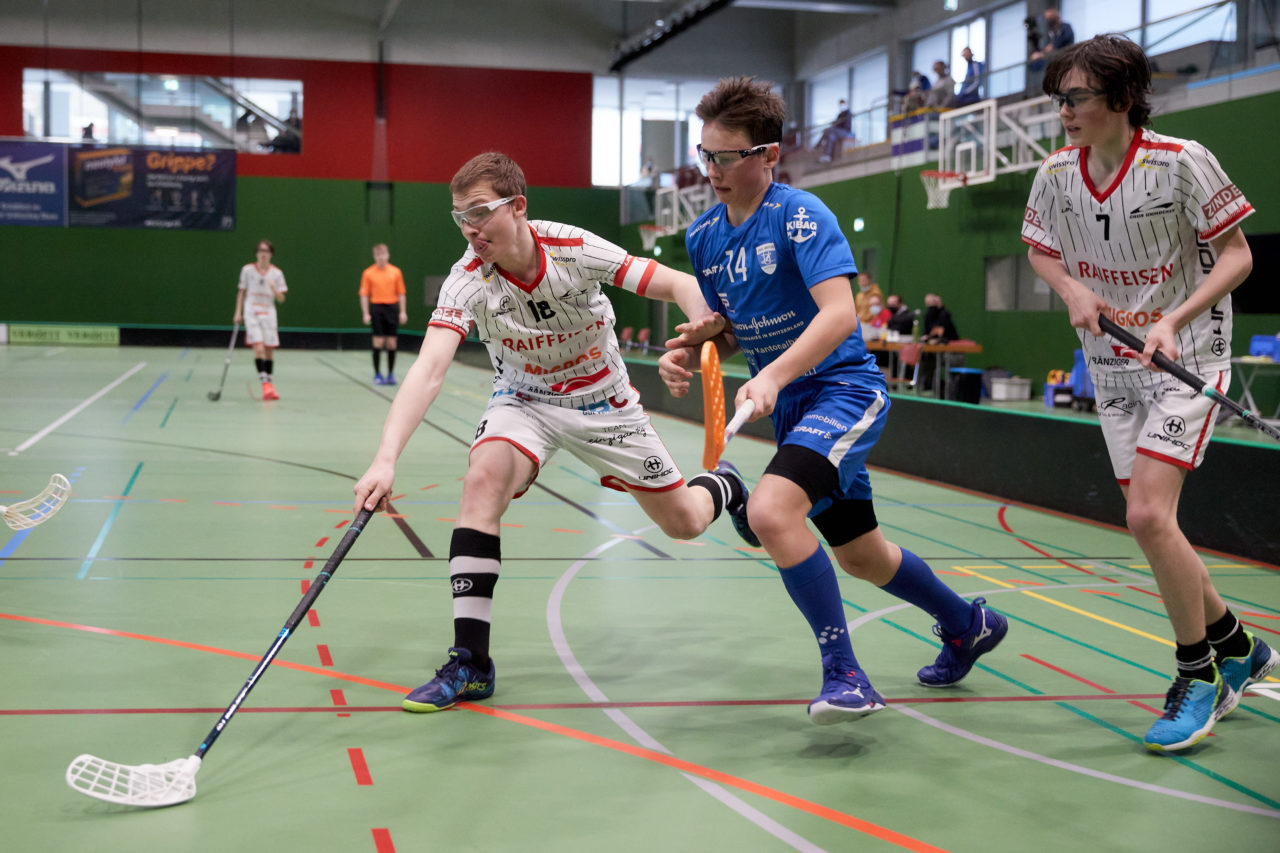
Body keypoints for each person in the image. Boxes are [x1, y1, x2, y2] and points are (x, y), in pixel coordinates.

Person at [352, 151, 755, 713]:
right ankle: (471, 663)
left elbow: (675, 282)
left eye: (480, 212)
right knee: (482, 479)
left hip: (605, 403)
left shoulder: (572, 248)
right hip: (524, 400)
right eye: (460, 217)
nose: (470, 228)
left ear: (517, 207)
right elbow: (429, 369)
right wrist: (385, 457)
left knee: (684, 523)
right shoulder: (466, 281)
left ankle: (726, 485)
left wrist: (697, 330)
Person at [660, 76, 1007, 726]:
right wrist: (694, 350)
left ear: (768, 153)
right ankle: (969, 624)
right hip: (793, 407)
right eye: (705, 155)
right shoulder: (705, 237)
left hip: (844, 391)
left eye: (727, 156)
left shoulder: (801, 216)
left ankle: (846, 674)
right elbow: (731, 330)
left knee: (770, 513)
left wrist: (772, 375)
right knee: (861, 555)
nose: (712, 170)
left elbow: (840, 314)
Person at [1022, 34, 1275, 752]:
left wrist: (1171, 320)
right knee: (1155, 526)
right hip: (1111, 370)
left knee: (1145, 514)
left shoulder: (1181, 161)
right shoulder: (1056, 173)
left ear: (1123, 97)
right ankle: (1240, 646)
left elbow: (1237, 256)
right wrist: (1071, 289)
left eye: (1076, 97)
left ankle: (1198, 673)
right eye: (1059, 98)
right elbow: (1040, 248)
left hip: (1185, 361)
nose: (1063, 111)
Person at [232, 239, 287, 401]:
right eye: (261, 251)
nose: (263, 254)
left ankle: (270, 383)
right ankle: (265, 385)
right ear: (256, 253)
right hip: (252, 313)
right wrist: (238, 313)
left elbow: (281, 298)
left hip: (269, 313)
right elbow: (241, 292)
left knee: (269, 350)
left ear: (271, 254)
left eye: (267, 251)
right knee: (259, 348)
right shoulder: (247, 270)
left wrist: (274, 288)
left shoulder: (277, 273)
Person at [359, 243, 408, 385]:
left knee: (392, 343)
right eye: (378, 255)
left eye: (383, 254)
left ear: (388, 255)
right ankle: (377, 374)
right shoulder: (368, 273)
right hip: (376, 308)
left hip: (391, 308)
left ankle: (391, 374)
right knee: (378, 342)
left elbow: (401, 294)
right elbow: (364, 295)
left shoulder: (396, 272)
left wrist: (402, 312)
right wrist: (366, 313)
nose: (381, 257)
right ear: (374, 256)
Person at [814, 99, 854, 163]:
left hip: (845, 132)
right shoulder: (840, 114)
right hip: (837, 132)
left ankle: (818, 145)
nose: (842, 106)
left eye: (843, 104)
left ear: (846, 104)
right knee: (831, 136)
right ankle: (827, 156)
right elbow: (836, 124)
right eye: (840, 104)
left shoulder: (848, 113)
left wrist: (837, 123)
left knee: (827, 130)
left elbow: (843, 124)